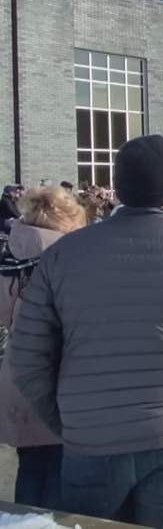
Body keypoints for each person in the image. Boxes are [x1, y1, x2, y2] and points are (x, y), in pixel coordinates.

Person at [9, 135, 163, 529]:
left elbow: (26, 354)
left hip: (93, 435)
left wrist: (69, 418)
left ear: (121, 186)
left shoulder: (63, 255)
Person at [0, 187, 86, 509]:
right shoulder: (68, 258)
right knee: (59, 472)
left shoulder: (10, 255)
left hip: (16, 373)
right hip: (57, 376)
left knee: (31, 466)